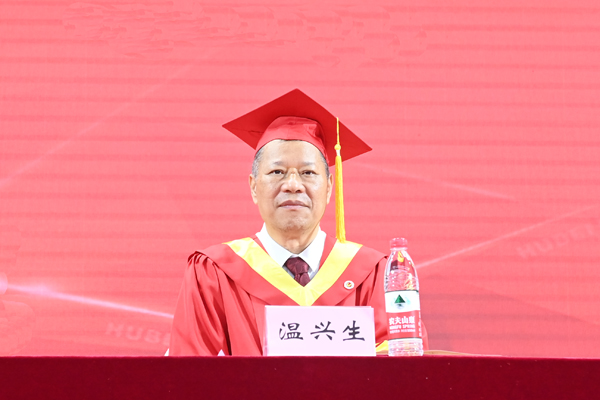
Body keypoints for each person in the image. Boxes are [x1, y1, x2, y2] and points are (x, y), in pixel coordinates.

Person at [169, 89, 425, 355]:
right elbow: (190, 371)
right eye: (277, 171)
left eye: (308, 172)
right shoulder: (214, 274)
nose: (292, 185)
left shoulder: (374, 275)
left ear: (329, 188)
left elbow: (404, 368)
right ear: (254, 187)